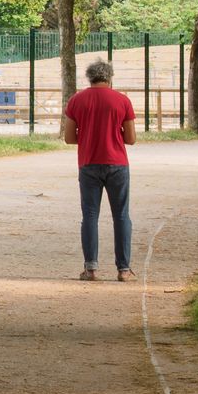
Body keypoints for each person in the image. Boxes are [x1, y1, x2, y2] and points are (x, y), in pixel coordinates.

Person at [61, 59, 141, 281]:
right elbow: (131, 139)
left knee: (90, 216)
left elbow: (69, 138)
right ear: (109, 77)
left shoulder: (76, 100)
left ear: (89, 77)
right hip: (117, 164)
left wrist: (88, 136)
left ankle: (91, 268)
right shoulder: (122, 100)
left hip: (88, 163)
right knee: (121, 216)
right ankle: (124, 269)